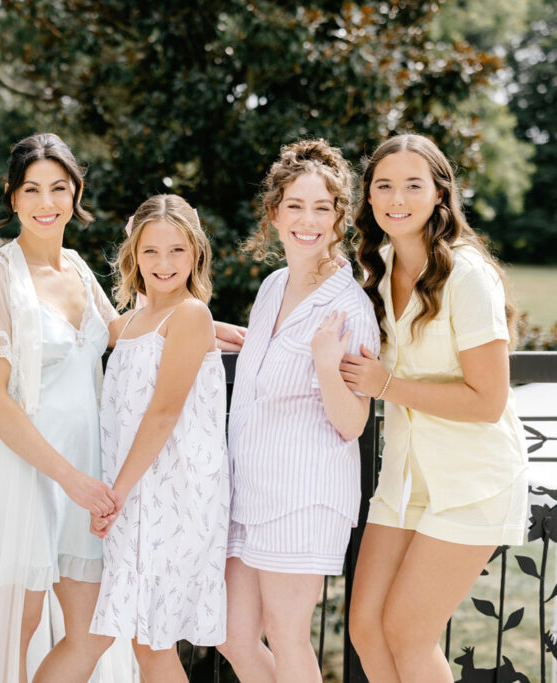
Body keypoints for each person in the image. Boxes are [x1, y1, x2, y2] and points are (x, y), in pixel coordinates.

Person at [0, 132, 127, 683]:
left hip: (85, 470)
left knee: (93, 631)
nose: (47, 202)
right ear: (12, 197)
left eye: (59, 189)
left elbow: (125, 333)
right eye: (33, 190)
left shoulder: (77, 267)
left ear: (75, 195)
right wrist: (68, 479)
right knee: (14, 631)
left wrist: (206, 327)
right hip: (23, 472)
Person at [344, 133, 528, 682]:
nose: (396, 198)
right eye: (384, 185)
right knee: (366, 629)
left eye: (412, 185)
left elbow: (488, 401)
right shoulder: (375, 266)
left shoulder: (467, 275)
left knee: (406, 633)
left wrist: (386, 385)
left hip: (472, 480)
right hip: (405, 477)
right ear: (370, 198)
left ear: (440, 195)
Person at [216, 139, 380, 682]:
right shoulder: (271, 286)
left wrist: (326, 363)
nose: (307, 221)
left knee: (287, 636)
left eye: (322, 208)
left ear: (339, 218)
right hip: (248, 489)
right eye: (295, 206)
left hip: (303, 494)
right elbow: (264, 366)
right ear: (274, 213)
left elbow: (353, 423)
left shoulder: (348, 306)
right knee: (233, 635)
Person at [88, 194, 230, 683]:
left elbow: (164, 412)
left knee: (152, 642)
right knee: (144, 641)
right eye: (150, 251)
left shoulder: (190, 315)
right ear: (133, 255)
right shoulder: (128, 323)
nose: (163, 264)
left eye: (176, 251)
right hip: (133, 491)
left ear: (195, 255)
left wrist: (115, 495)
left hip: (167, 491)